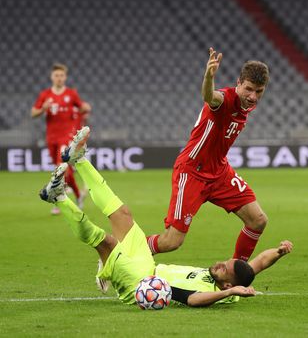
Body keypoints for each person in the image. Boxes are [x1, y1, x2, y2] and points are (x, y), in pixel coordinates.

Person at [39, 127, 293, 307]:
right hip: (148, 264)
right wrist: (279, 252)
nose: (219, 264)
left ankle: (59, 198)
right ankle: (79, 160)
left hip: (140, 283)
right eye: (225, 263)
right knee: (123, 213)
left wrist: (226, 295)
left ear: (227, 286)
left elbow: (193, 301)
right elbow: (258, 263)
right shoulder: (234, 280)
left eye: (224, 269)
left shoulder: (210, 292)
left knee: (105, 242)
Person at [145, 48, 271, 261]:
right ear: (238, 83)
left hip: (219, 172)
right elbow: (209, 96)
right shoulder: (224, 100)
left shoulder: (246, 104)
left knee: (258, 220)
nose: (253, 96)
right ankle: (119, 251)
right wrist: (209, 77)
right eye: (249, 89)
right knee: (171, 241)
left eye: (259, 91)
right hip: (193, 171)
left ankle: (234, 275)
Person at [31, 63, 90, 214]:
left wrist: (85, 108)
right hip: (51, 137)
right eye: (56, 75)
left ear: (65, 77)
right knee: (64, 171)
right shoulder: (45, 95)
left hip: (67, 136)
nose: (59, 78)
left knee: (61, 168)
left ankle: (58, 202)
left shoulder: (71, 94)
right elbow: (33, 113)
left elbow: (83, 107)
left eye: (62, 75)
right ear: (52, 77)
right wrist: (43, 108)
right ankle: (78, 195)